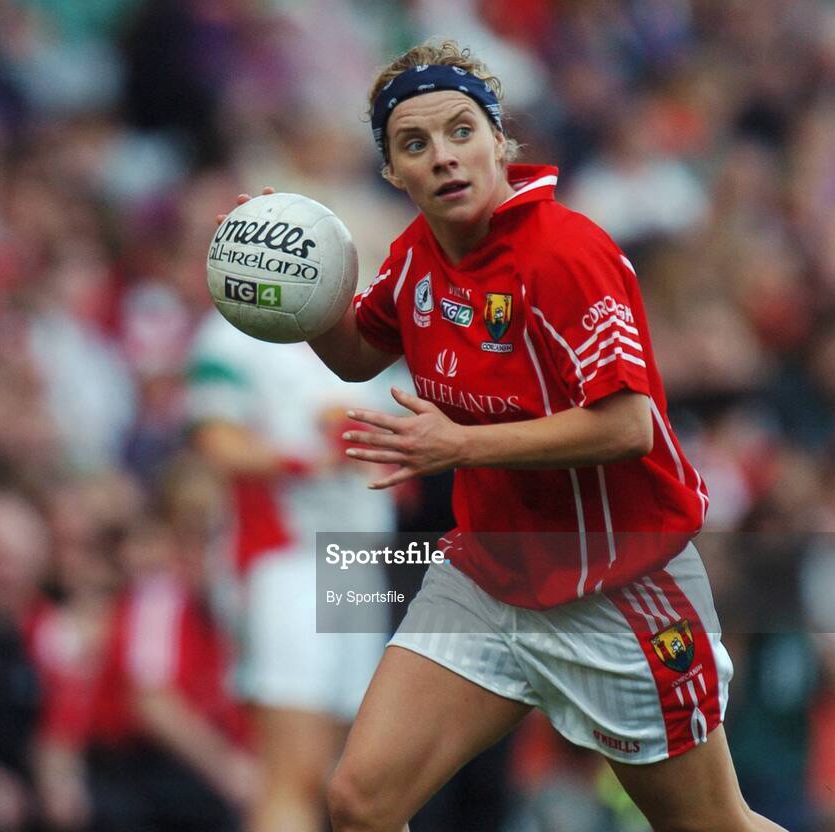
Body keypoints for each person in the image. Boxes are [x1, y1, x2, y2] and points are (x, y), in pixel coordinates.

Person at [220, 39, 787, 832]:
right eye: (415, 144)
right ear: (393, 172)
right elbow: (355, 354)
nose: (444, 157)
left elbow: (630, 426)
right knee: (358, 804)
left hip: (619, 586)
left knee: (711, 826)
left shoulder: (565, 254)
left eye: (461, 131)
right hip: (487, 577)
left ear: (498, 140)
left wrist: (461, 447)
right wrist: (301, 289)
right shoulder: (419, 255)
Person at [187, 311, 401, 832]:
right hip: (285, 557)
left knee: (346, 777)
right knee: (293, 771)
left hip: (357, 559)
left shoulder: (366, 335)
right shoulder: (235, 335)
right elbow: (217, 442)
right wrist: (311, 459)